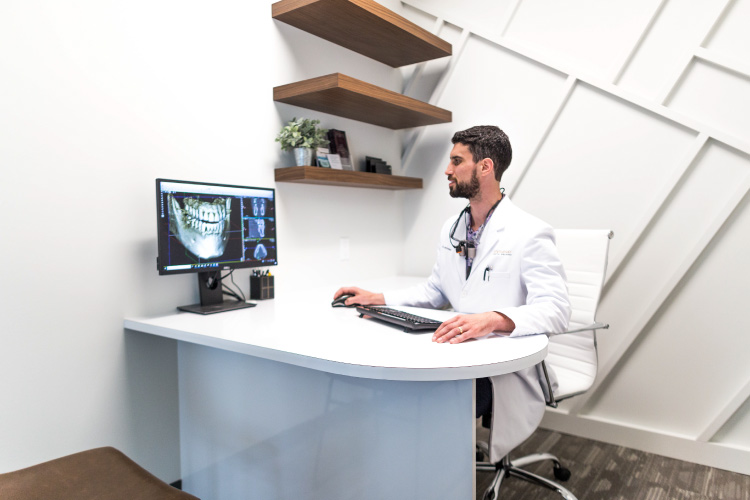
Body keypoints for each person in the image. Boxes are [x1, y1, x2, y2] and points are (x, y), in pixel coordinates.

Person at [333, 125, 571, 462]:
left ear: (485, 167)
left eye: (457, 161)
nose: (447, 170)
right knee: (398, 386)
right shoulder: (453, 228)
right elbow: (436, 289)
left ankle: (438, 475)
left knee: (424, 401)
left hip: (499, 369)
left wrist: (493, 320)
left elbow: (557, 309)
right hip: (455, 352)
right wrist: (379, 297)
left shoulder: (529, 232)